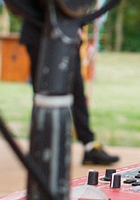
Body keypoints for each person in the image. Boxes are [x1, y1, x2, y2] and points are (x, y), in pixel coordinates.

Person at [19, 17, 119, 167]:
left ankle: (89, 145)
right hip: (38, 33)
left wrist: (78, 22)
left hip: (67, 33)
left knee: (76, 90)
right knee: (43, 94)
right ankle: (39, 147)